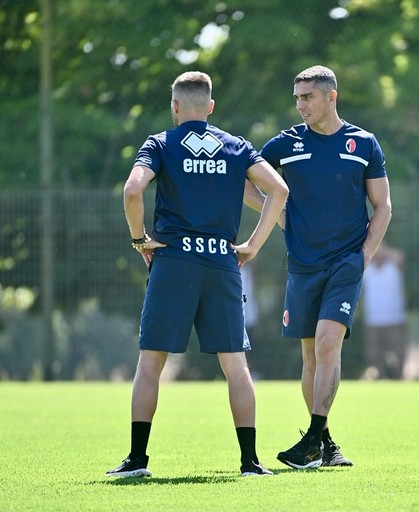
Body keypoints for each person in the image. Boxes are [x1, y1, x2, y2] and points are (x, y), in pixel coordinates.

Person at [105, 71, 288, 478]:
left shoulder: (160, 144)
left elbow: (132, 191)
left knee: (150, 363)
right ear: (210, 107)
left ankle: (137, 461)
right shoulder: (236, 147)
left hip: (173, 261)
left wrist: (140, 240)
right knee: (235, 365)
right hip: (222, 262)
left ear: (174, 107)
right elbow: (279, 190)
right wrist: (253, 246)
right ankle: (250, 463)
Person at [245, 65, 392, 469]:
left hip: (346, 262)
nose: (300, 105)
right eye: (297, 98)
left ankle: (311, 439)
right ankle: (323, 444)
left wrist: (363, 257)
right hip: (302, 264)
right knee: (310, 357)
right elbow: (246, 177)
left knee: (328, 343)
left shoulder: (363, 144)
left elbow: (383, 207)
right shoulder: (284, 144)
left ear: (331, 96)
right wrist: (277, 213)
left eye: (307, 97)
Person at [361, 241, 407, 380]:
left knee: (399, 353)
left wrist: (378, 243)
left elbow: (399, 256)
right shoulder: (367, 269)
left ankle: (399, 378)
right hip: (373, 320)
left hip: (395, 319)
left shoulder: (393, 266)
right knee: (374, 354)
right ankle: (381, 378)